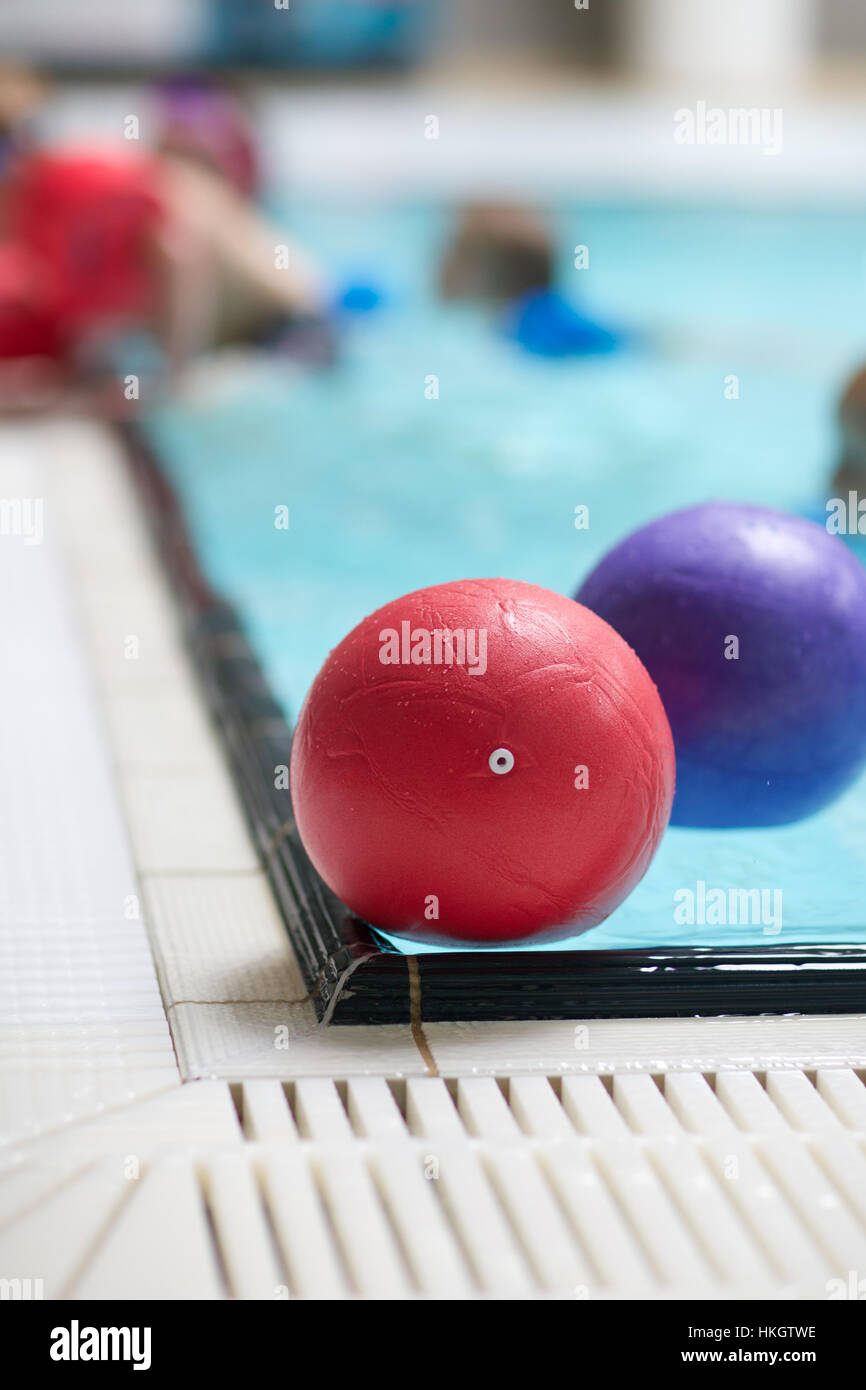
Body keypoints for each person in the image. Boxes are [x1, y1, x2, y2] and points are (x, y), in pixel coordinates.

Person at [0, 87, 334, 411]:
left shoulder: (77, 179)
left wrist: (170, 382)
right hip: (239, 339)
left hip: (286, 332)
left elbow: (178, 252)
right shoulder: (31, 227)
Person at [439, 201, 622, 357]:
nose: (443, 263)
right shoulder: (535, 316)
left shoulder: (533, 326)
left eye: (457, 249)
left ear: (490, 271)